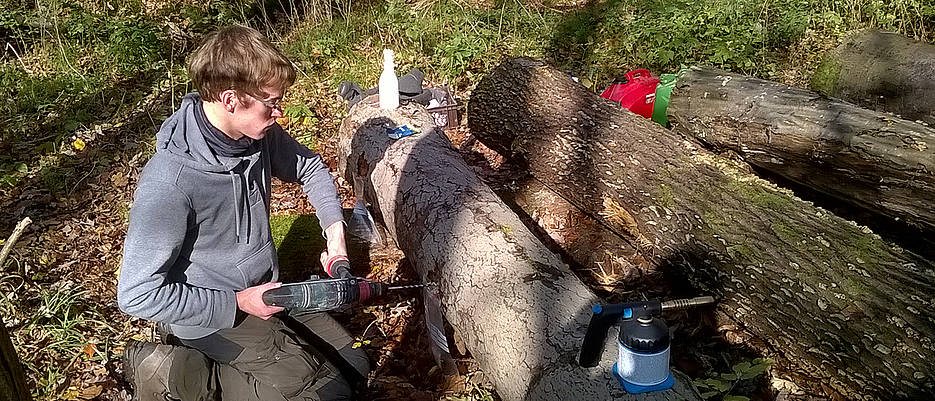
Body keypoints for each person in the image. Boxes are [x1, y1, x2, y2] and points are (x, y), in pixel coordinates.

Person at [117, 25, 369, 401]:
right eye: (271, 103)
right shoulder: (170, 183)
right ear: (231, 99)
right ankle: (176, 375)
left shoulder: (255, 135)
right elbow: (136, 294)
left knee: (356, 366)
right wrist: (238, 302)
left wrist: (335, 235)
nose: (279, 113)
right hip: (210, 314)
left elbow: (309, 167)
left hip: (265, 291)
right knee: (328, 393)